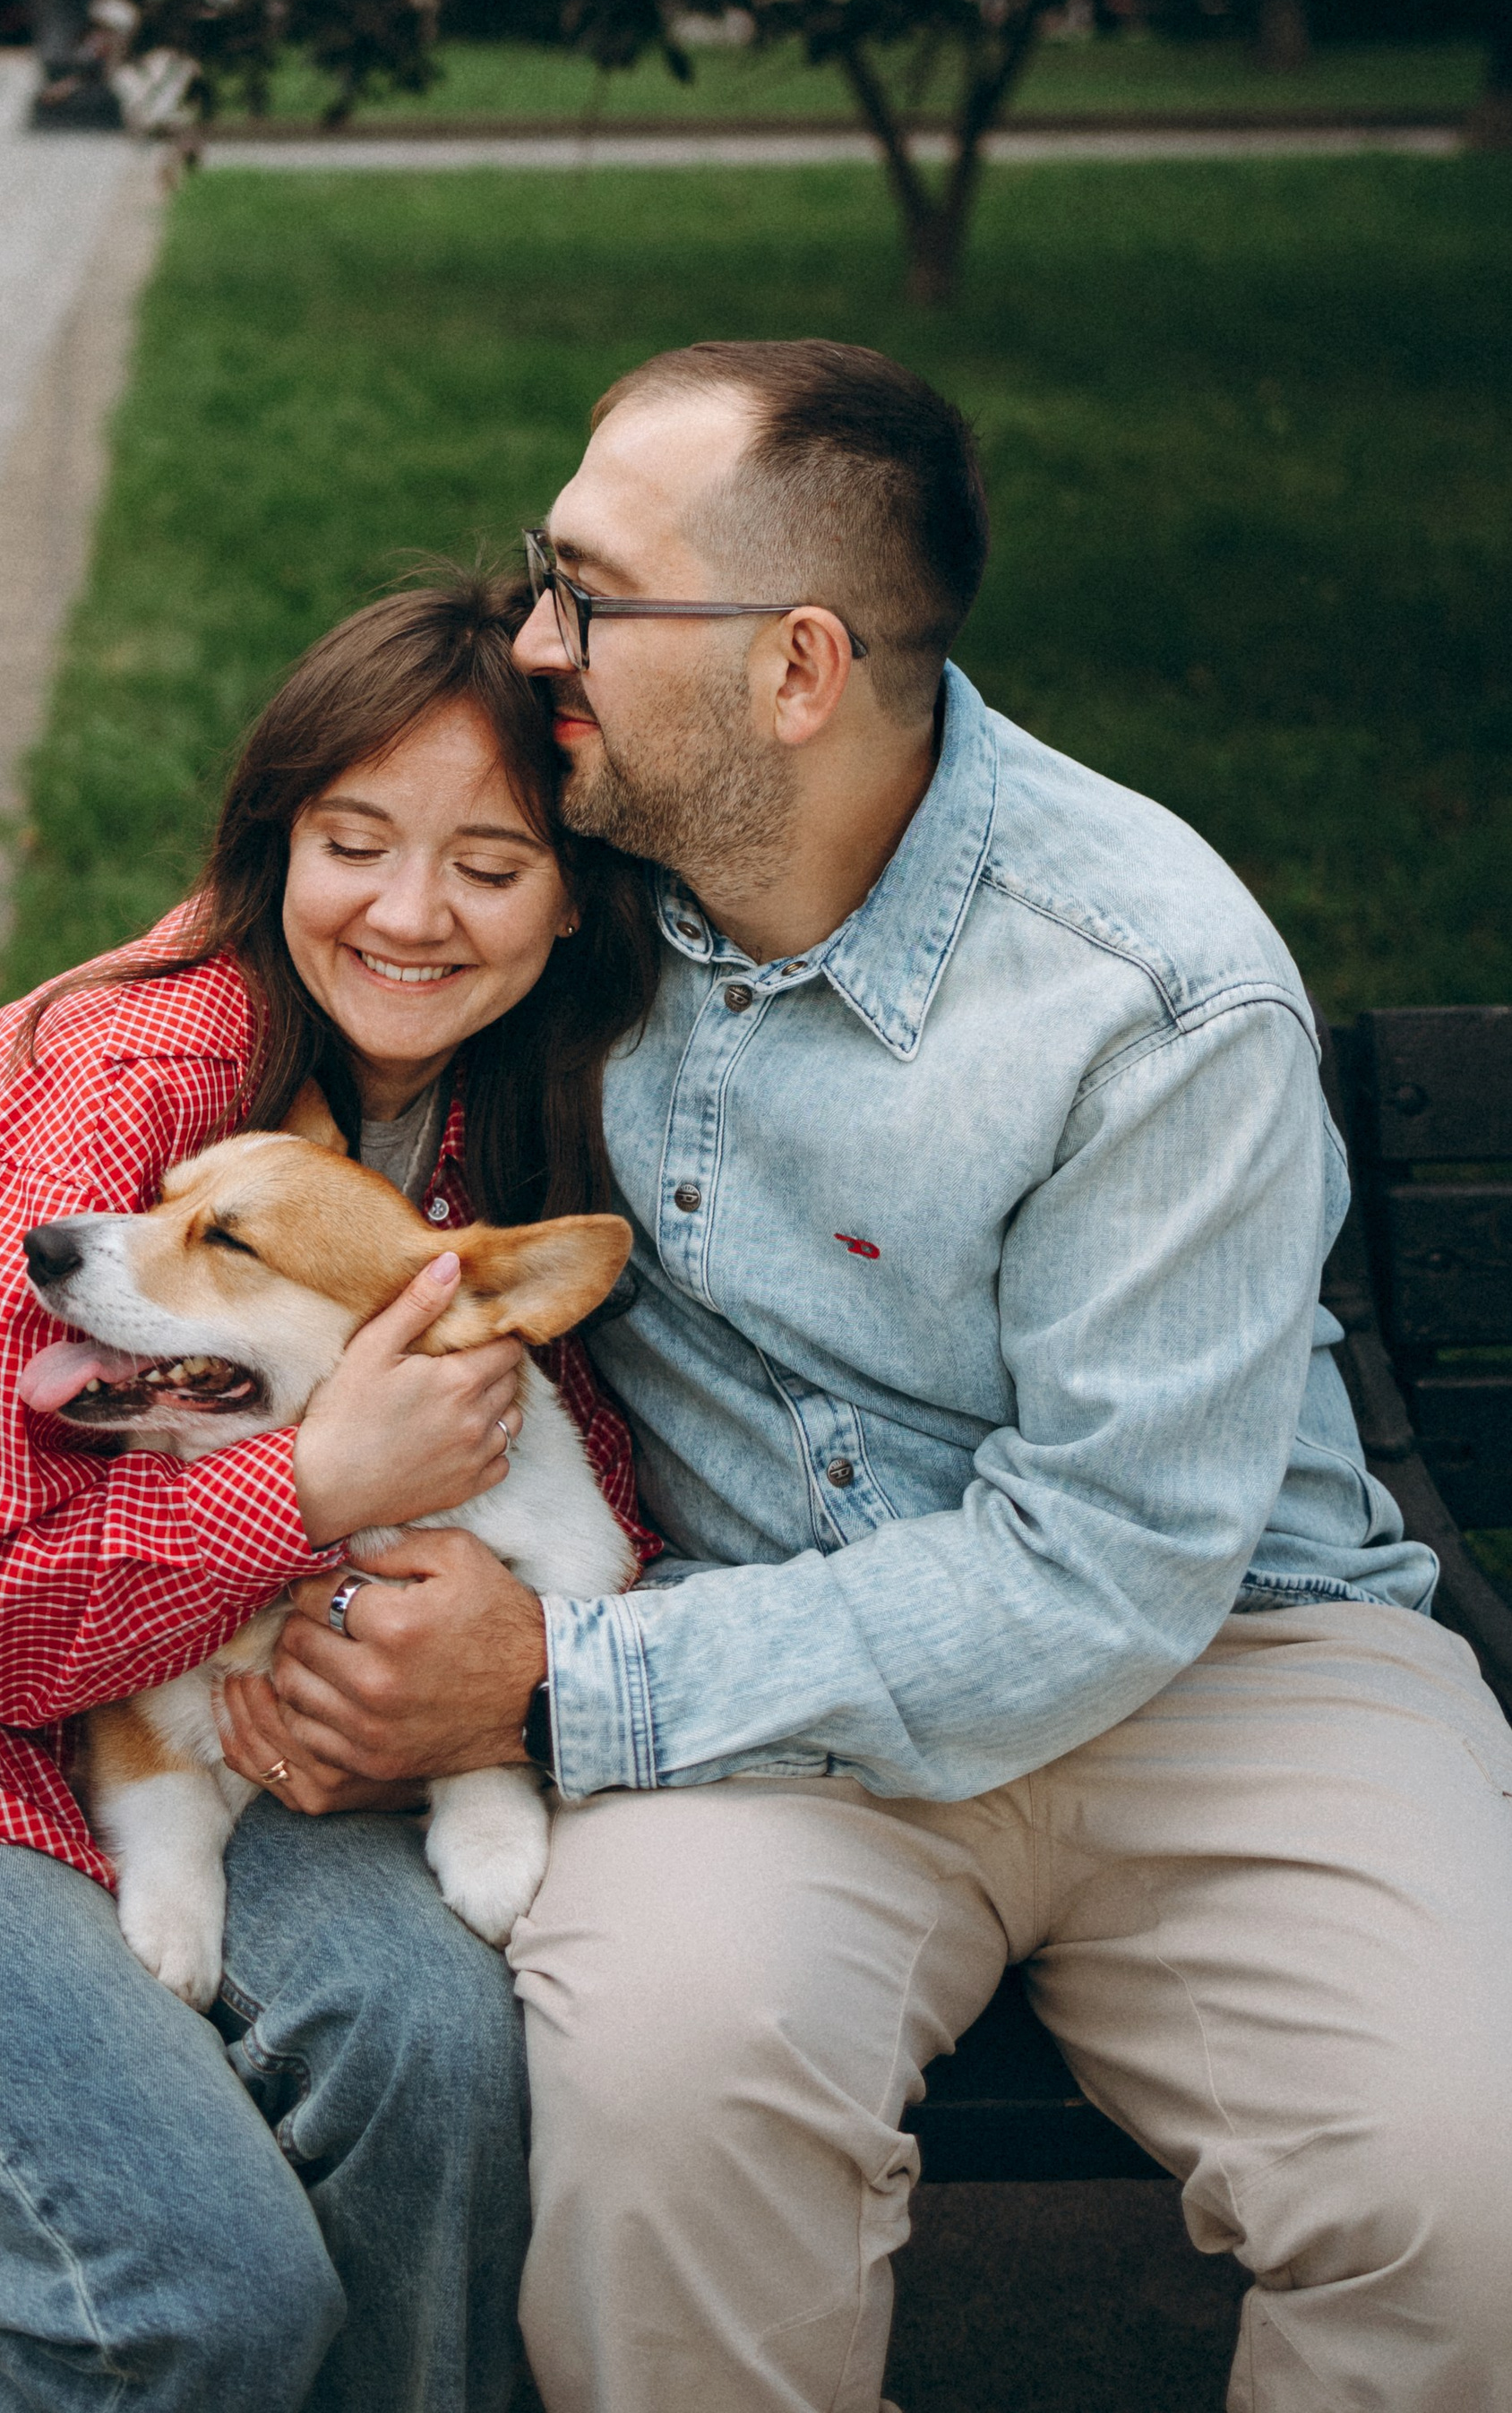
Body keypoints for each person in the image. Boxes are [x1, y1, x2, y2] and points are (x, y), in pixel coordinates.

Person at [242, 339, 1512, 2413]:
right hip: (759, 1685)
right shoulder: (563, 876)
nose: (528, 642)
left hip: (1218, 1664)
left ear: (796, 671)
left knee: (1468, 2200)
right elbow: (295, 930)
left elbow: (1109, 1567)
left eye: (584, 594)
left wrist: (556, 1684)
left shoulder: (1149, 994)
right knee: (653, 2135)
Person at [0, 575, 660, 2413]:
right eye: (352, 844)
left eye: (488, 866)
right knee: (188, 2296)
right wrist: (314, 1489)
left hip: (186, 1720)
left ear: (571, 890)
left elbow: (568, 1450)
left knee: (440, 2052)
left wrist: (455, 1638)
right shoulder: (135, 1084)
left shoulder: (476, 1082)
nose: (411, 913)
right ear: (276, 834)